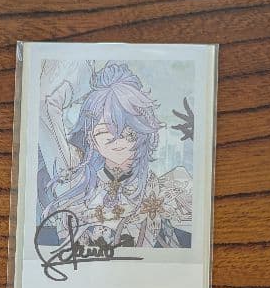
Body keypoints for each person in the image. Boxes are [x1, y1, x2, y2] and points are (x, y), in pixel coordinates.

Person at [40, 63, 192, 248]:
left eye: (127, 132)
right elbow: (45, 107)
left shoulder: (165, 190)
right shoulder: (77, 183)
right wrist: (85, 69)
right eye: (104, 132)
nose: (117, 141)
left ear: (143, 131)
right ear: (91, 138)